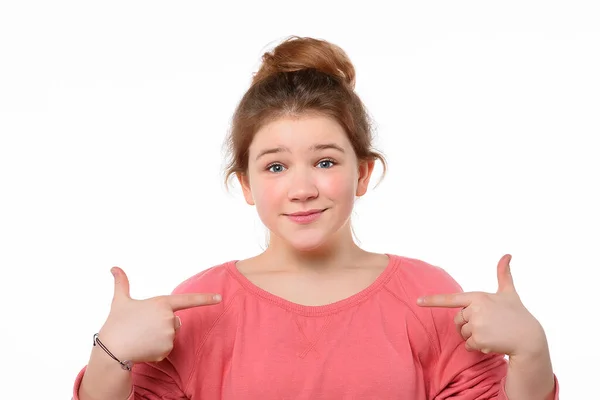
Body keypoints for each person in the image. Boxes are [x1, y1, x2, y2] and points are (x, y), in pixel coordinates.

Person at [72, 36, 559, 399]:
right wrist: (110, 352)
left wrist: (532, 352)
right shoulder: (201, 307)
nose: (302, 190)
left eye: (325, 162)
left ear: (363, 173)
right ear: (245, 183)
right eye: (276, 166)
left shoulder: (428, 298)